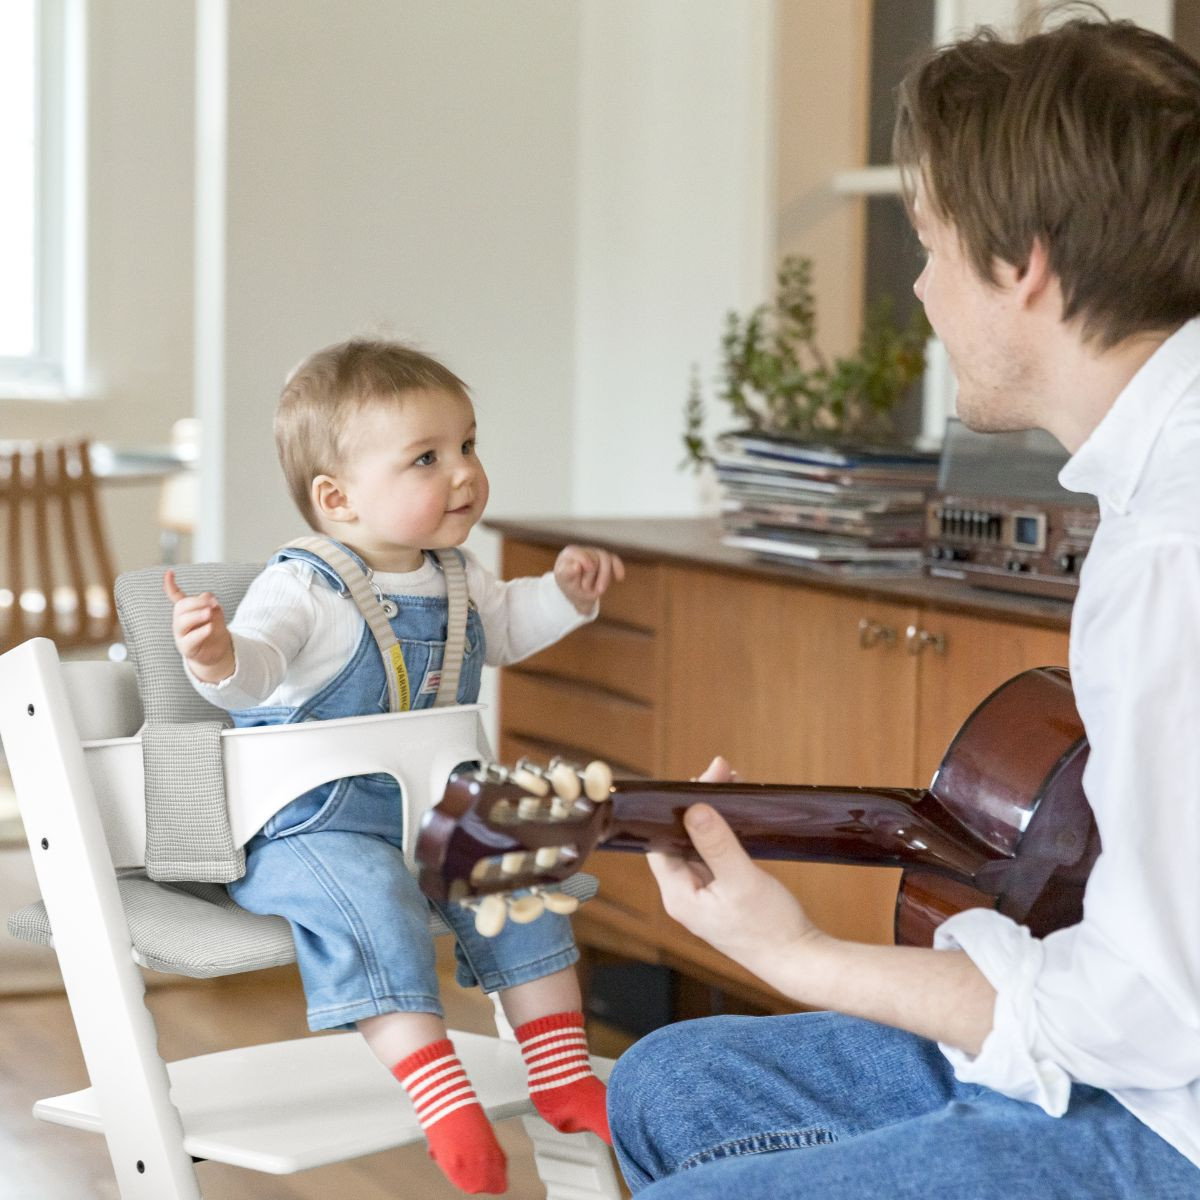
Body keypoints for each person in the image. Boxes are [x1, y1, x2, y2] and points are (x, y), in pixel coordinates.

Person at [607, 10, 1200, 1199]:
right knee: (664, 1084)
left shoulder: (1176, 554)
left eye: (929, 244)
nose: (921, 288)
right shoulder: (1150, 494)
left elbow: (1149, 1012)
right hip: (1141, 1043)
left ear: (1020, 261)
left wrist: (798, 955)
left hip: (1171, 1121)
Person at [165, 337, 624, 1196]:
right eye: (426, 458)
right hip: (311, 827)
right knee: (368, 897)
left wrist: (566, 593)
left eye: (468, 446)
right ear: (336, 499)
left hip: (432, 814)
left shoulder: (458, 577)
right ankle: (440, 1094)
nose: (463, 474)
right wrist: (221, 654)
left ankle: (560, 1073)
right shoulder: (302, 585)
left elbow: (508, 632)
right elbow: (259, 667)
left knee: (519, 868)